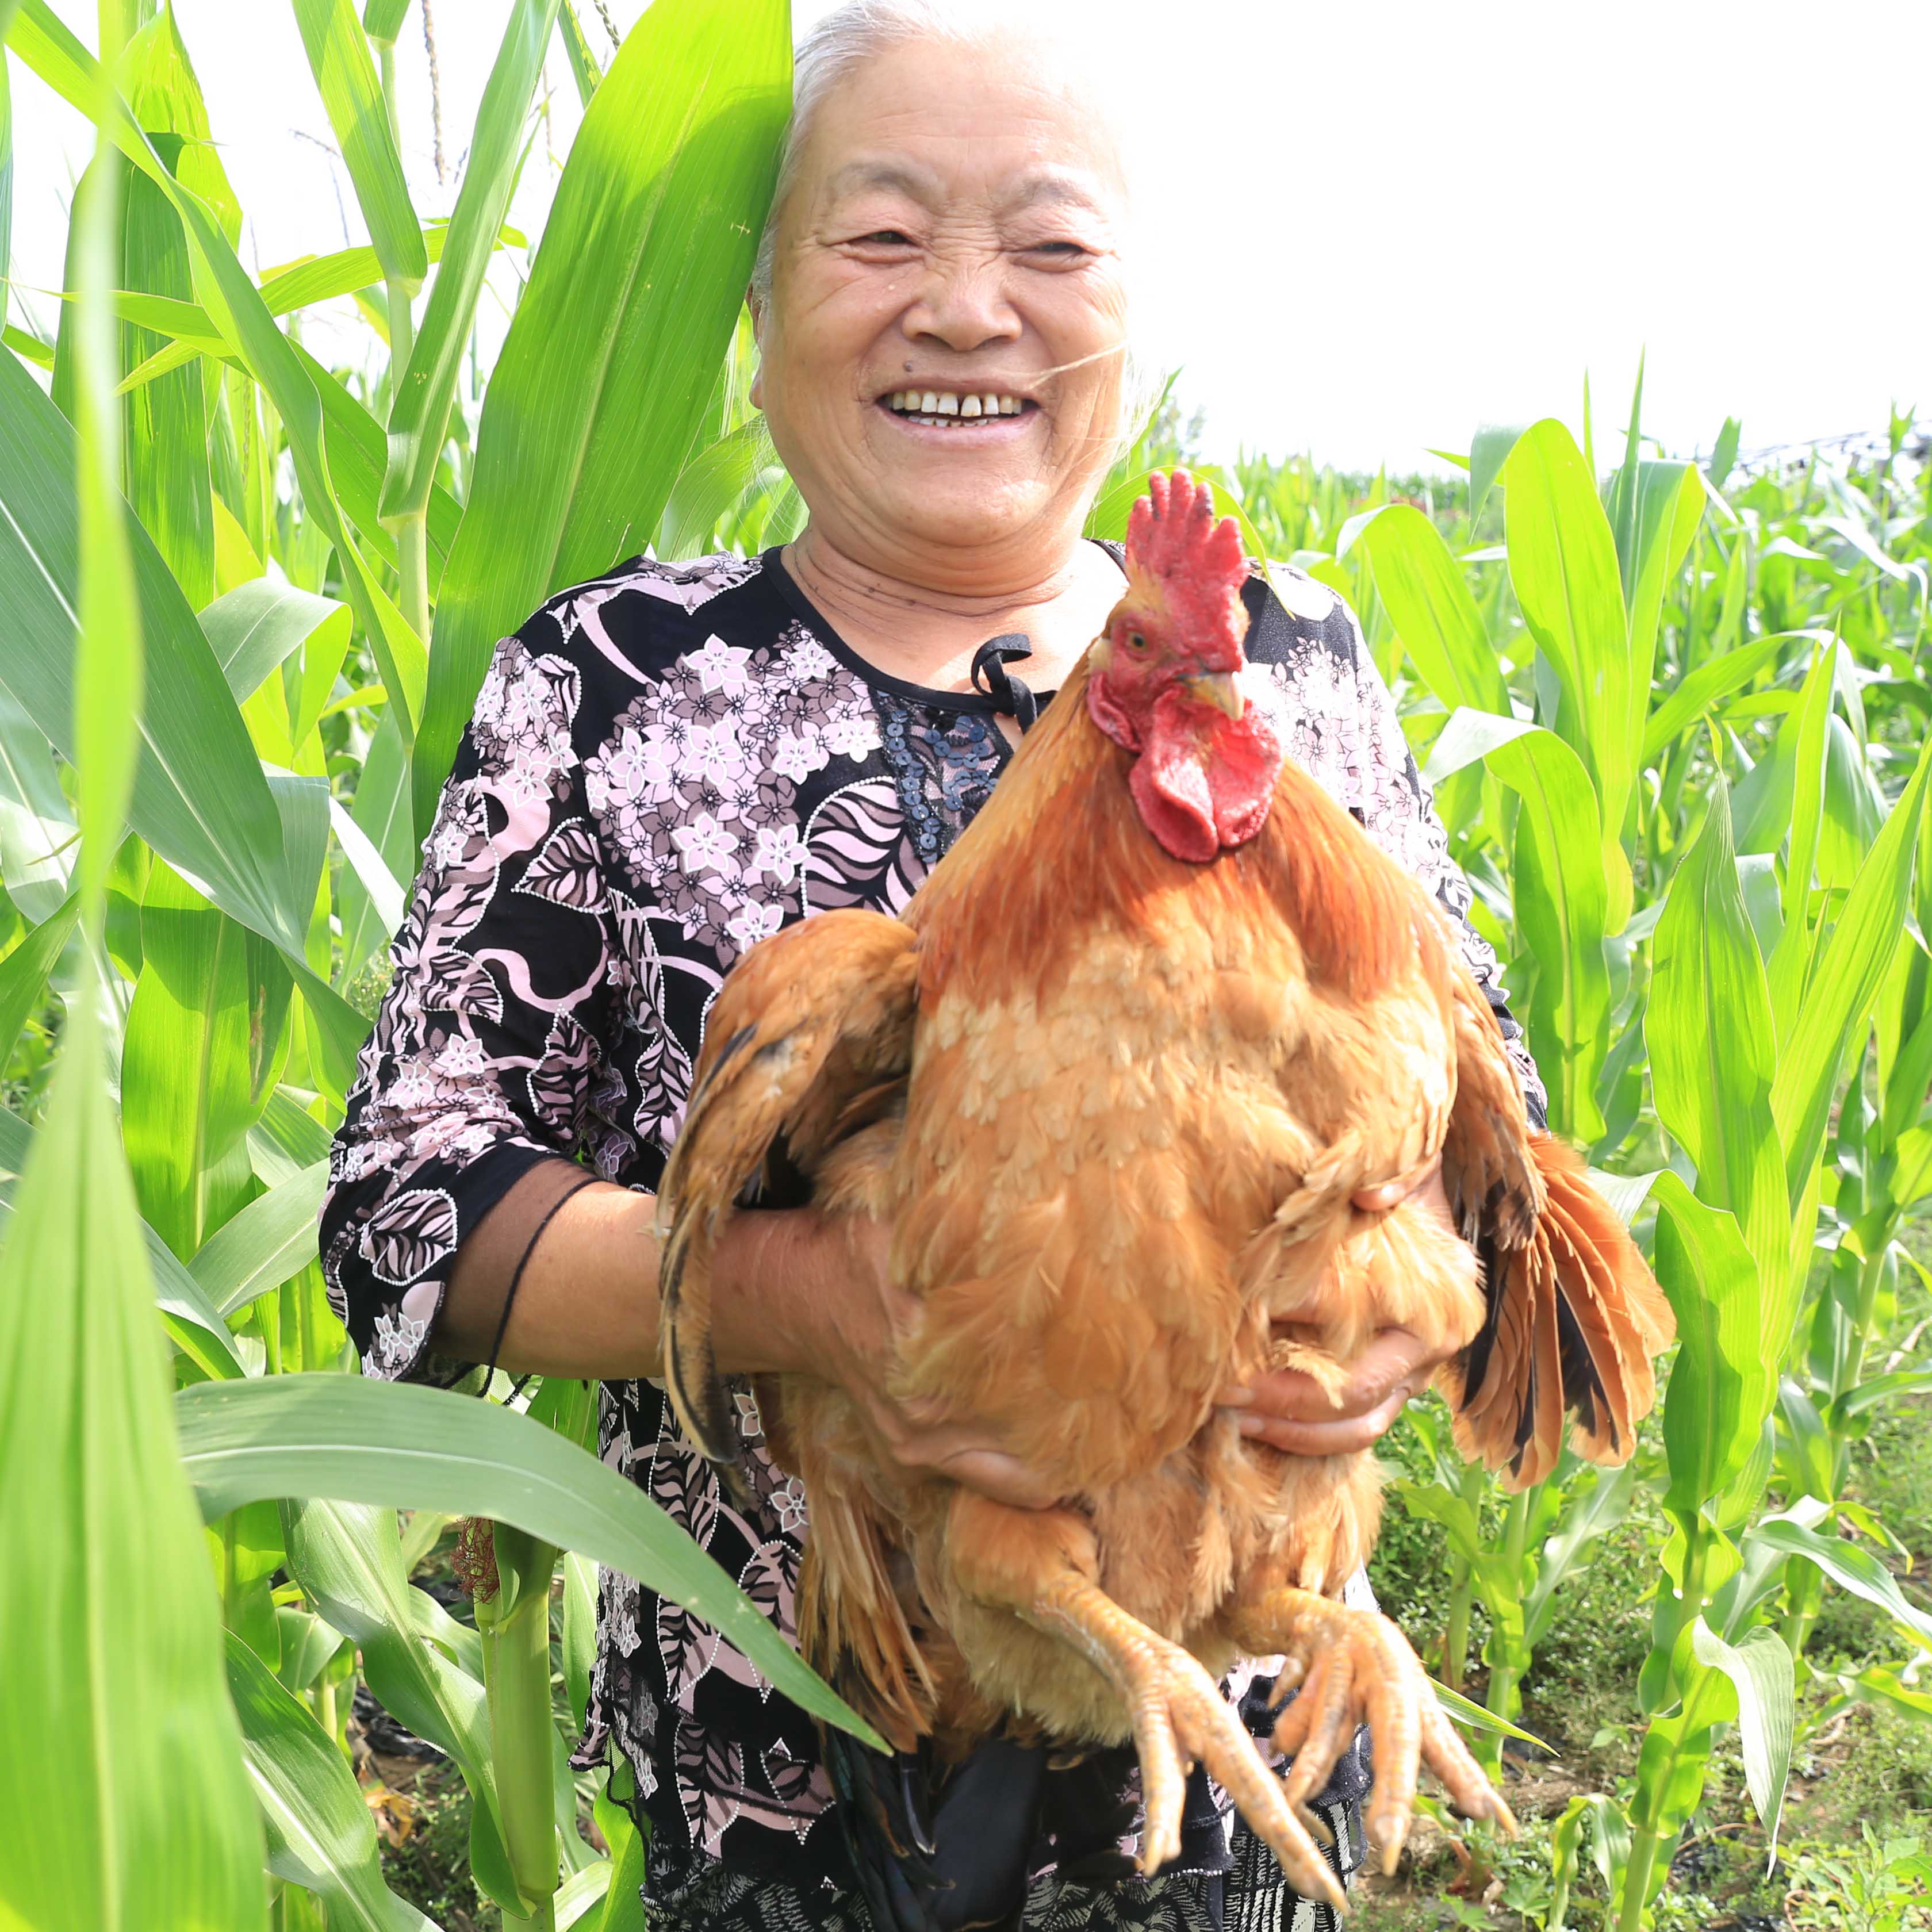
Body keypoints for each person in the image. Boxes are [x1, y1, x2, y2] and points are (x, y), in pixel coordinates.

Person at [321, 4, 1547, 1926]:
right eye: (882, 239)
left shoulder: (1293, 666)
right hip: (801, 1776)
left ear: (1133, 311)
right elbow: (407, 1212)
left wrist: (1388, 1329)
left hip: (1245, 1791)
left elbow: (1484, 1113)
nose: (970, 312)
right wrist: (815, 1296)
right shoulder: (616, 689)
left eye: (1052, 248)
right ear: (759, 303)